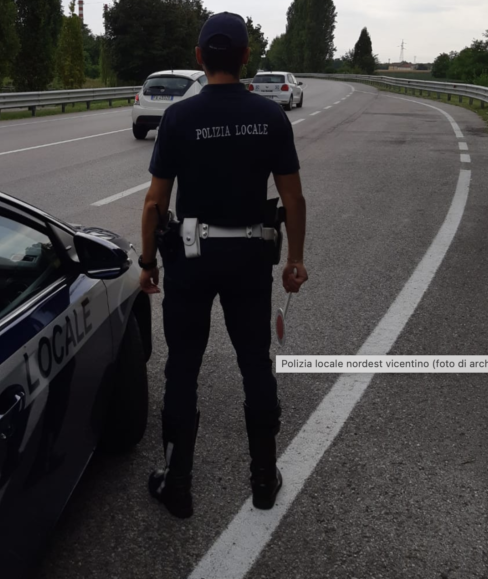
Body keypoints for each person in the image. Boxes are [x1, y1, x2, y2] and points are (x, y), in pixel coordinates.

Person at [137, 12, 308, 519]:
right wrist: (295, 259)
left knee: (183, 368)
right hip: (251, 258)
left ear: (198, 59)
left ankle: (178, 484)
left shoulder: (178, 118)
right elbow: (293, 199)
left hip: (190, 258)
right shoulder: (271, 117)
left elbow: (153, 204)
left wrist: (148, 262)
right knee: (254, 361)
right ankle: (262, 480)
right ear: (245, 57)